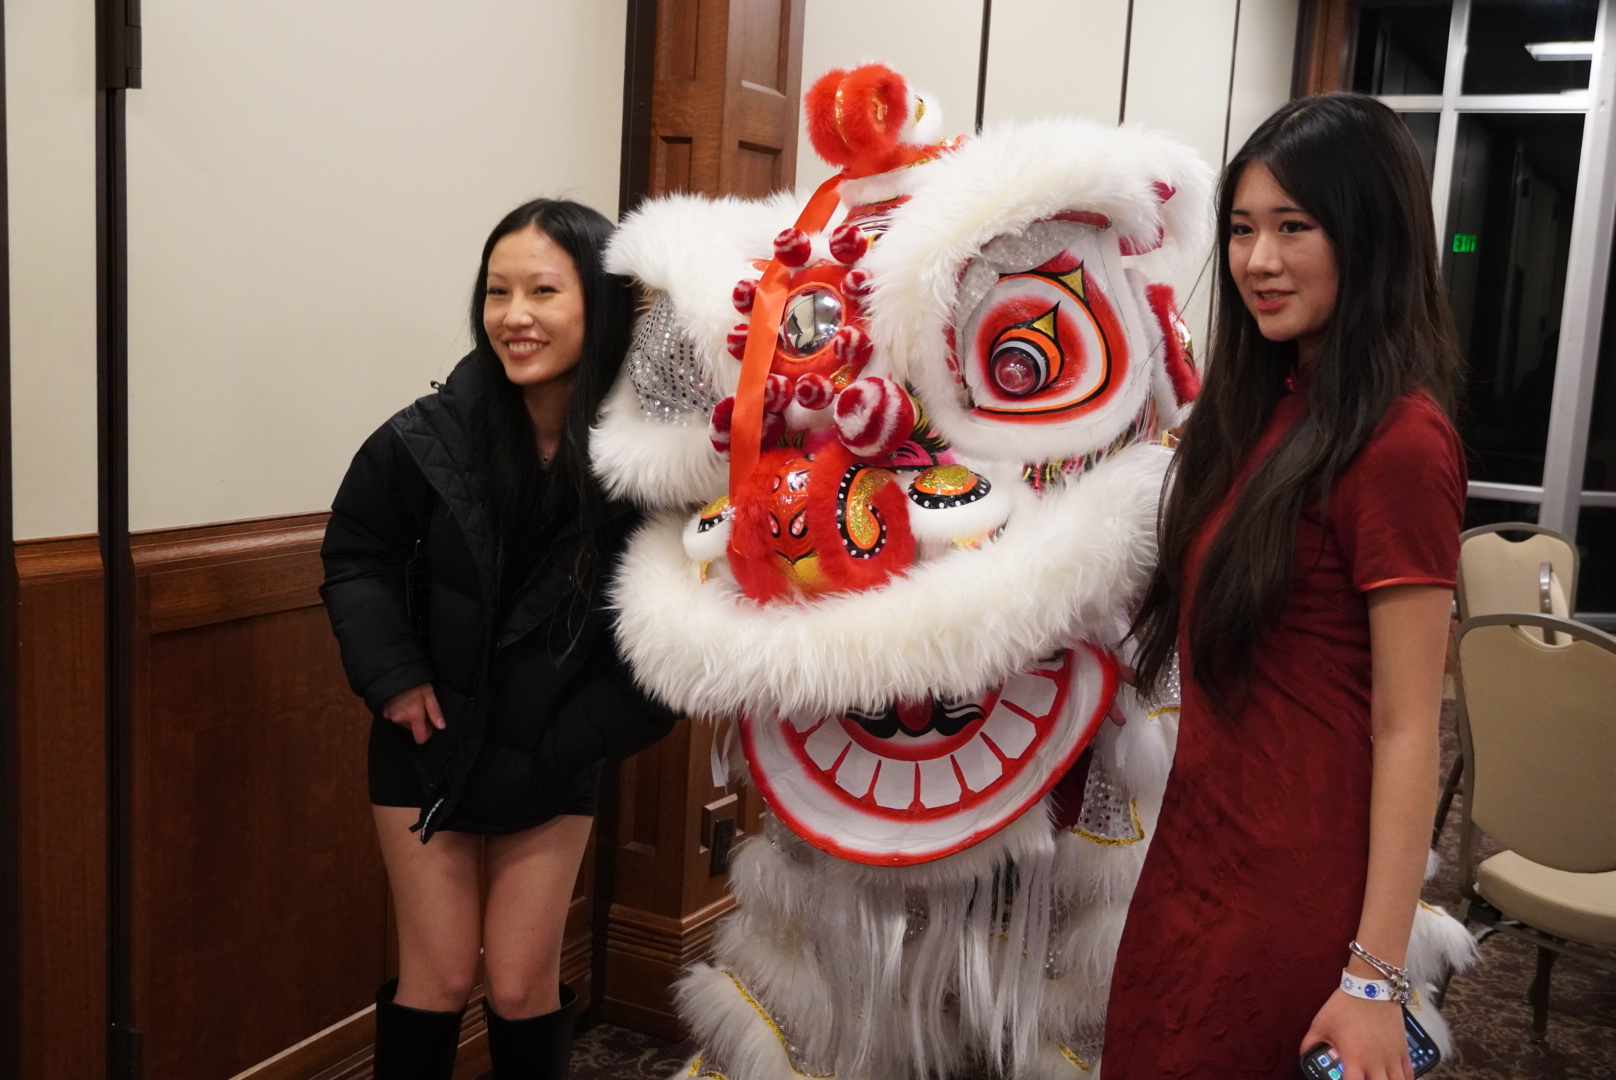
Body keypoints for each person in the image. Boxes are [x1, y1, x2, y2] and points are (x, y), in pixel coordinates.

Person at [1104, 93, 1465, 1080]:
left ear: (1368, 236)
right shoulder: (1260, 411)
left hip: (1293, 892)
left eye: (1293, 227)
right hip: (1193, 855)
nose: (1257, 260)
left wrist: (1372, 979)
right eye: (1240, 229)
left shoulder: (1400, 440)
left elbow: (1407, 730)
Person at [320, 198, 677, 1080]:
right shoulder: (429, 434)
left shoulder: (654, 460)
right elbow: (357, 552)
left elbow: (676, 642)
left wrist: (563, 748)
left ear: (600, 302)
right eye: (496, 291)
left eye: (543, 291)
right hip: (426, 743)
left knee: (520, 986)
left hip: (554, 752)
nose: (514, 315)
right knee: (438, 978)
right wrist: (392, 674)